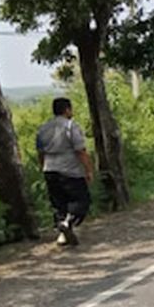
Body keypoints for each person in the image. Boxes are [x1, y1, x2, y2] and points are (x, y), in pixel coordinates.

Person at [36, 98, 93, 246]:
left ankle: (62, 233)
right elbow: (80, 150)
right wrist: (88, 170)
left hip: (50, 170)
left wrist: (43, 167)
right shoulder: (70, 126)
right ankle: (68, 224)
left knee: (59, 203)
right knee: (81, 200)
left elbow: (40, 152)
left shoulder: (43, 128)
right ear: (67, 110)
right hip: (70, 170)